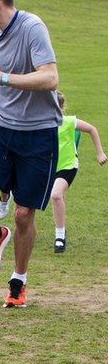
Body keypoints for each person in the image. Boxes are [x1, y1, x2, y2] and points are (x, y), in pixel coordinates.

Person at [0, 0, 61, 308]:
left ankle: (18, 281)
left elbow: (50, 78)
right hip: (1, 128)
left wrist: (4, 77)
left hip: (38, 134)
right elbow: (0, 84)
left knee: (23, 214)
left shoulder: (33, 28)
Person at [47, 91, 107, 252]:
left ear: (60, 107)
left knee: (56, 195)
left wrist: (100, 152)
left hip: (68, 166)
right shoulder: (41, 124)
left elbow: (92, 129)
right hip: (48, 167)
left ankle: (60, 237)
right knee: (54, 198)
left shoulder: (69, 121)